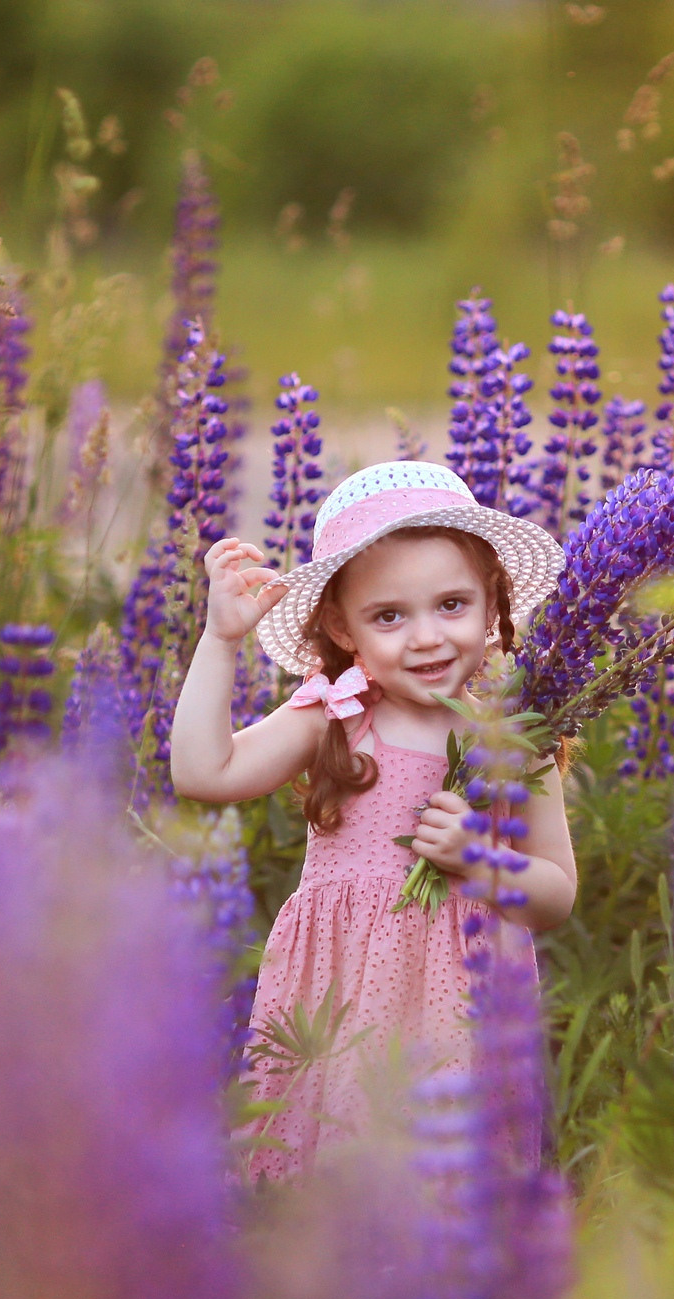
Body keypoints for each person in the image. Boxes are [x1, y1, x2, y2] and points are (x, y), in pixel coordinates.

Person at [169, 460, 577, 1181]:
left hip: (465, 1005)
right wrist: (220, 641)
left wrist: (481, 862)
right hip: (343, 999)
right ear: (341, 625)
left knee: (446, 1184)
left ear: (492, 601)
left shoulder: (519, 737)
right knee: (340, 1173)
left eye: (451, 604)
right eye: (390, 616)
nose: (426, 637)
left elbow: (555, 895)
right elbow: (204, 773)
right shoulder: (334, 715)